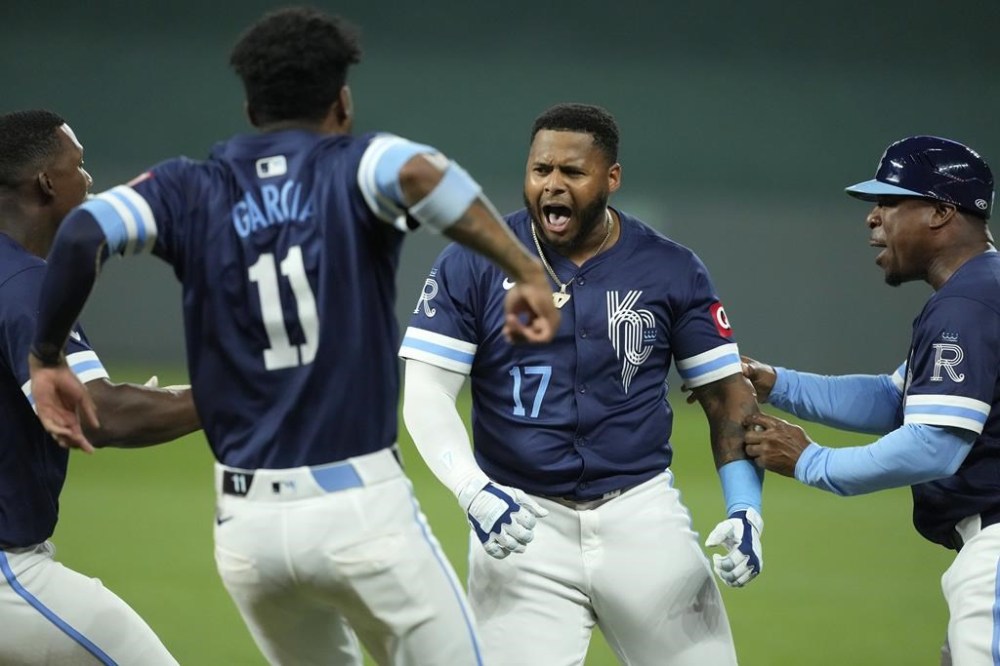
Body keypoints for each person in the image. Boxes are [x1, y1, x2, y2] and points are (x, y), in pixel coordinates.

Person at [26, 7, 560, 666]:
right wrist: (525, 269)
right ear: (342, 101)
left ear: (251, 106)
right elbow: (423, 173)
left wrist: (46, 356)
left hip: (247, 529)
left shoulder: (189, 187)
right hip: (360, 510)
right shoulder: (355, 166)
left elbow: (82, 233)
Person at [399, 103, 764, 665]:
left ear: (610, 179)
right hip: (520, 522)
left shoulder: (670, 268)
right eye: (541, 170)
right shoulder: (472, 261)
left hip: (641, 517)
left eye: (572, 172)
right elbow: (426, 389)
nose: (552, 185)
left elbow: (726, 397)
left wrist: (746, 510)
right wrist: (471, 489)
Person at [740, 135, 999, 665]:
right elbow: (891, 399)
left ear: (941, 212)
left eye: (889, 202)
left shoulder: (967, 305)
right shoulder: (982, 289)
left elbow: (933, 446)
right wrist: (777, 382)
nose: (872, 218)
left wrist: (813, 461)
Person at [0, 109, 200, 664]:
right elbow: (101, 416)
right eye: (78, 167)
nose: (89, 182)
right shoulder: (26, 282)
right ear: (45, 183)